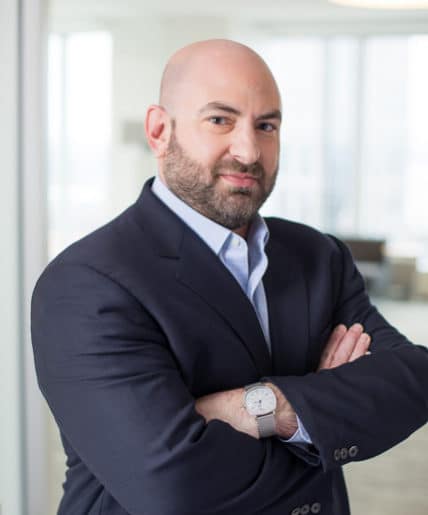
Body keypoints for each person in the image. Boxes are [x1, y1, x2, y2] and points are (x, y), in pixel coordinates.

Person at [31, 39, 428, 515]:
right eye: (220, 119)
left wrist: (266, 408)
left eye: (267, 126)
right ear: (159, 131)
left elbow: (413, 380)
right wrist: (323, 415)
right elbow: (174, 486)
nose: (248, 150)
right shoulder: (86, 283)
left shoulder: (318, 256)